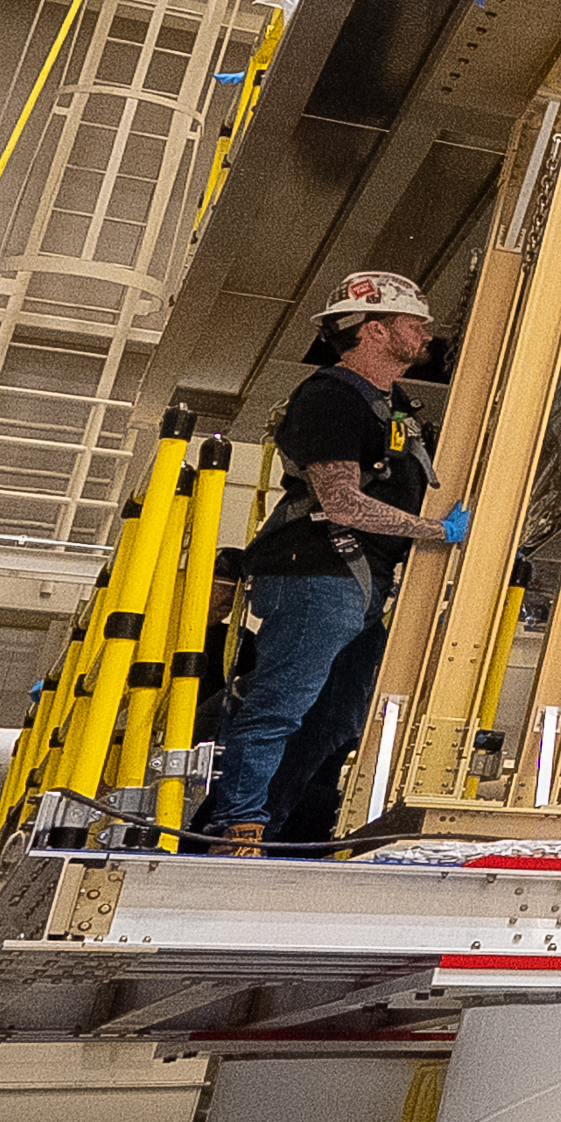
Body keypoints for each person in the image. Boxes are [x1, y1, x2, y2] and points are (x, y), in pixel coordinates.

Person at [204, 272, 440, 855]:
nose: (426, 333)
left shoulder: (397, 408)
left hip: (360, 583)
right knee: (280, 706)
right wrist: (431, 532)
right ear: (374, 329)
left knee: (338, 718)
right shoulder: (331, 396)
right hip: (319, 572)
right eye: (413, 323)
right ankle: (234, 828)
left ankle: (269, 826)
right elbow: (340, 500)